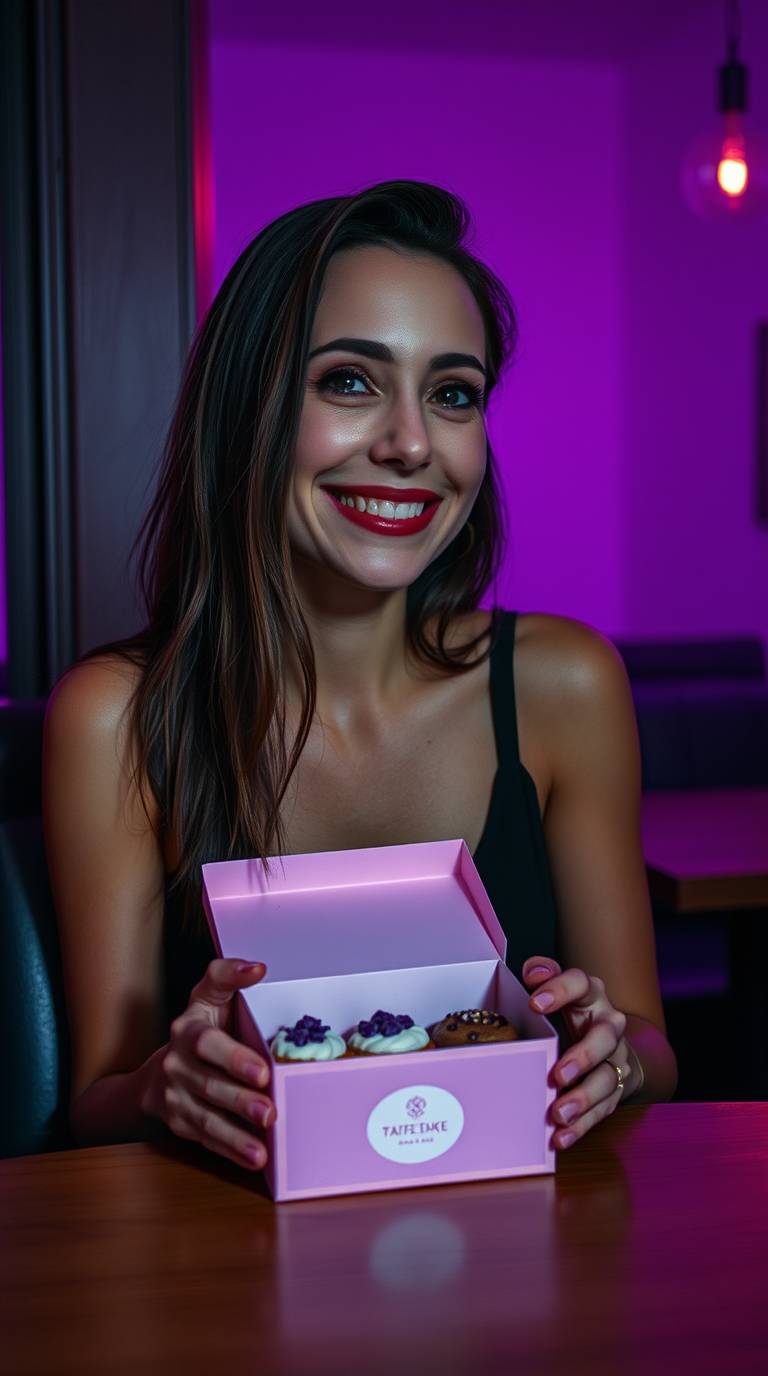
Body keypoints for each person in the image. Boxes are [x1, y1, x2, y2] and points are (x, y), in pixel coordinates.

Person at [43, 180, 677, 1175]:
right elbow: (96, 1102)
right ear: (248, 407)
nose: (411, 444)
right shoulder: (116, 716)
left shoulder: (564, 685)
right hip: (231, 1286)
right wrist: (166, 1082)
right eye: (349, 381)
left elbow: (649, 1041)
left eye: (453, 393)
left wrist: (613, 1057)